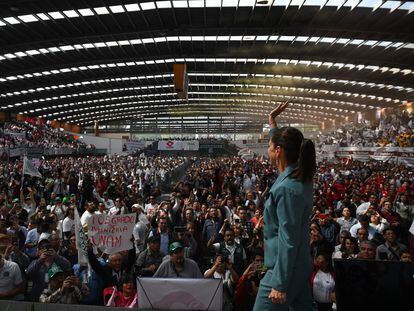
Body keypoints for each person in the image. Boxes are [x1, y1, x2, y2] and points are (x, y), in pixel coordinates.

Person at [254, 102, 316, 310]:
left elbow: (288, 239)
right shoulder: (298, 174)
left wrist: (279, 284)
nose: (268, 151)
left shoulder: (287, 188)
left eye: (270, 147)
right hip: (299, 266)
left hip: (283, 270)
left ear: (278, 151)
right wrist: (273, 123)